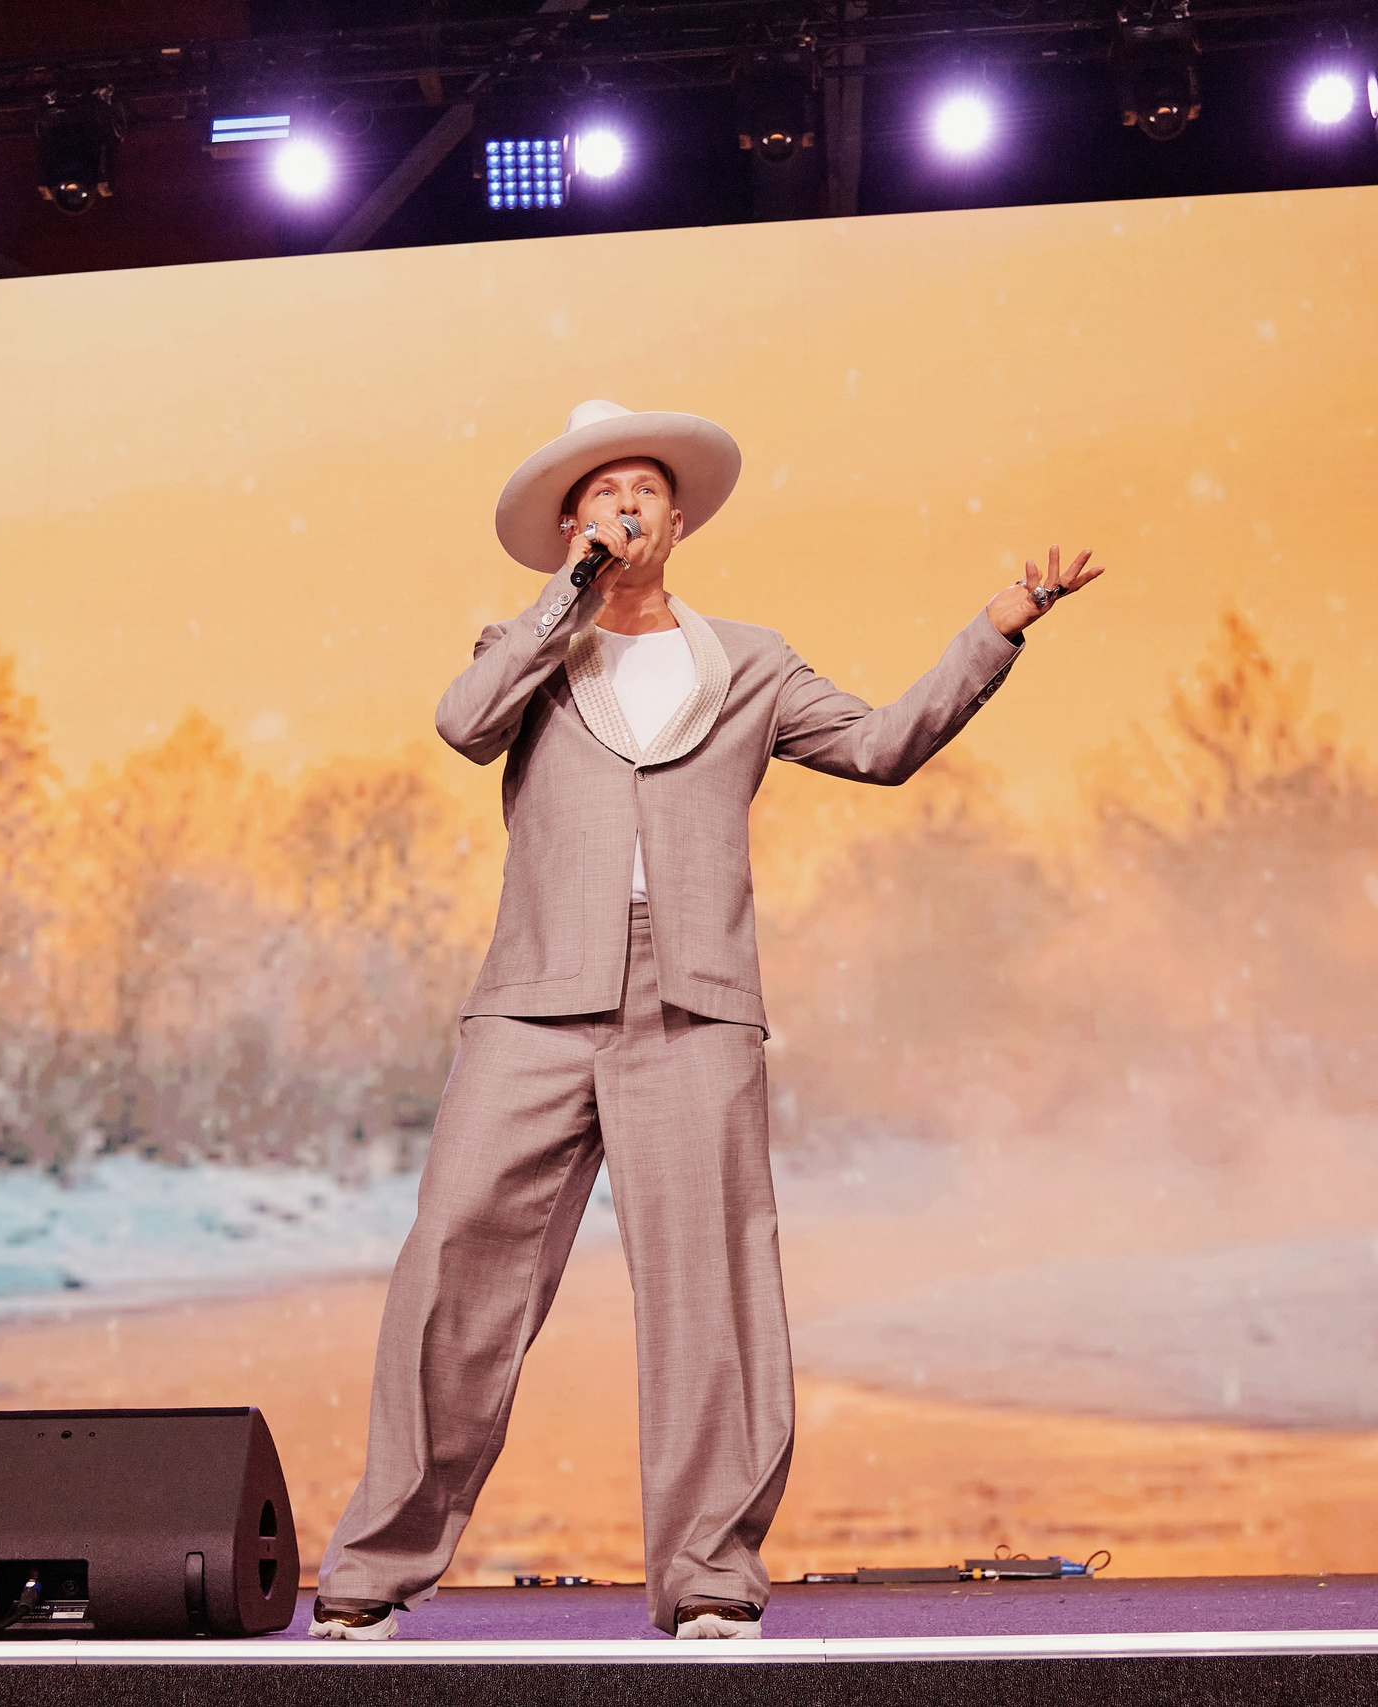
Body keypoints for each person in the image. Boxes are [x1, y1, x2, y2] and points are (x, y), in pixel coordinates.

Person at [310, 399, 1103, 1640]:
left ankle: (710, 1587)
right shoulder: (521, 647)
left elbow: (883, 747)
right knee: (453, 1273)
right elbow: (462, 725)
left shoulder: (751, 661)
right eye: (601, 495)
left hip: (693, 1008)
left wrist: (992, 634)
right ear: (571, 524)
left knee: (713, 1297)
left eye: (645, 491)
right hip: (532, 1005)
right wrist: (564, 600)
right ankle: (367, 1583)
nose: (625, 507)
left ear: (678, 520)